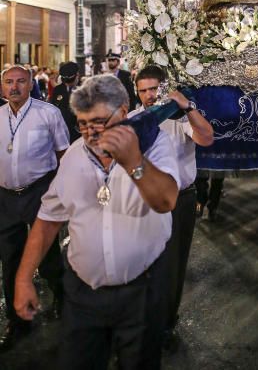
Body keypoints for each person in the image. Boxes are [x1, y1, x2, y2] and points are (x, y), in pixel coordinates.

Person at [14, 74, 180, 370]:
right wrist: (24, 278)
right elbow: (49, 218)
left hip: (141, 292)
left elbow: (166, 200)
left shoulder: (154, 143)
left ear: (124, 111)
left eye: (101, 122)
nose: (92, 133)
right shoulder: (74, 156)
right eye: (83, 124)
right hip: (82, 295)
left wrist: (133, 163)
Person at [130, 65, 214, 350]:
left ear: (165, 89)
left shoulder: (180, 118)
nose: (149, 96)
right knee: (143, 263)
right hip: (143, 202)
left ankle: (166, 324)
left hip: (181, 200)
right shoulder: (132, 120)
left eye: (154, 89)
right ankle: (140, 322)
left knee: (173, 265)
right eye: (143, 91)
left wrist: (186, 106)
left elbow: (206, 137)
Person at [0, 65, 69, 351]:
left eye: (19, 82)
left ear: (30, 85)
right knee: (10, 258)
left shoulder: (48, 113)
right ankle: (18, 322)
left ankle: (62, 298)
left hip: (41, 192)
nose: (14, 87)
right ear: (2, 87)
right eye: (8, 82)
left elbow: (64, 153)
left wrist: (63, 193)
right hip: (5, 197)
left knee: (47, 255)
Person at [49, 62, 80, 143]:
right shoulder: (58, 90)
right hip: (60, 132)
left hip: (77, 132)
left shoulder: (82, 90)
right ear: (76, 76)